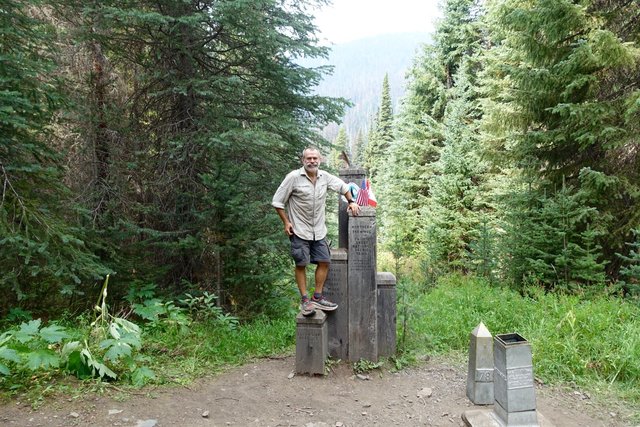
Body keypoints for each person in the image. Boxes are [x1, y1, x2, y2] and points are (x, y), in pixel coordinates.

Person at [272, 147, 360, 316]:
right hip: (299, 230)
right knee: (301, 264)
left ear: (320, 160)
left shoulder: (324, 177)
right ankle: (305, 300)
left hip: (318, 231)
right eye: (308, 158)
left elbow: (343, 186)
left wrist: (352, 201)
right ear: (302, 160)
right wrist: (286, 222)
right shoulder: (293, 178)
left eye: (315, 158)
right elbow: (277, 202)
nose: (312, 161)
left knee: (325, 261)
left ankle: (317, 298)